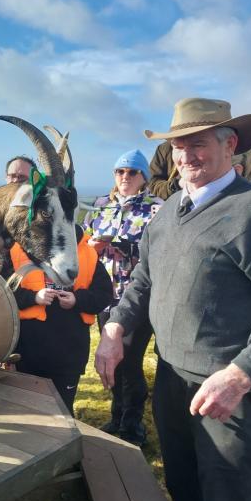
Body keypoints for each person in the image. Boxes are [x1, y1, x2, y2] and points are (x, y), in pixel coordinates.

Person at [94, 97, 251, 501]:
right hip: (174, 382)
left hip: (236, 394)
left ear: (230, 146)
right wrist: (115, 327)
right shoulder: (170, 208)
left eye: (198, 143)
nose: (185, 155)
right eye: (178, 146)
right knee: (184, 486)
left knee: (232, 496)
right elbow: (144, 277)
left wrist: (242, 373)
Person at [83, 149, 163, 446]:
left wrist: (117, 244)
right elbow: (84, 239)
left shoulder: (156, 207)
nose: (125, 177)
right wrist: (91, 245)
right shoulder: (100, 205)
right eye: (120, 171)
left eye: (132, 172)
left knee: (129, 361)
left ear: (144, 177)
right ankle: (117, 417)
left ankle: (133, 426)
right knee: (112, 361)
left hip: (137, 297)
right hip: (105, 295)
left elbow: (159, 251)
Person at [10, 224, 113, 415]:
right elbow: (4, 293)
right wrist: (33, 297)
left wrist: (77, 300)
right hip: (27, 352)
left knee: (62, 412)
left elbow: (104, 294)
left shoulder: (88, 254)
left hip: (68, 355)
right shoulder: (18, 249)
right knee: (28, 410)